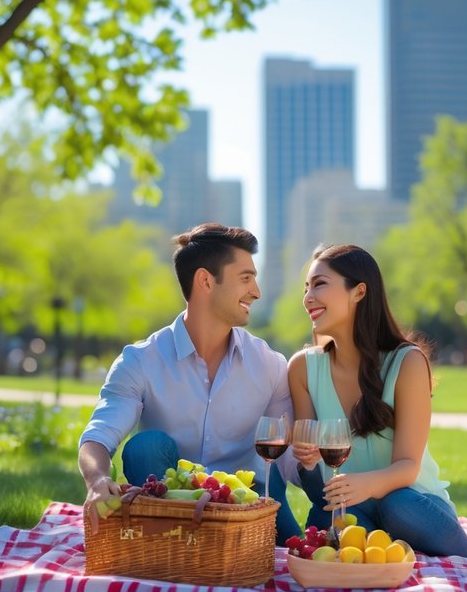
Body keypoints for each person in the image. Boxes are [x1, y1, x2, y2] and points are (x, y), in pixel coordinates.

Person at [78, 222, 301, 544]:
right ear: (206, 281)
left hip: (250, 505)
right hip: (175, 504)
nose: (257, 291)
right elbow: (99, 435)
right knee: (145, 447)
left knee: (298, 539)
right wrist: (97, 480)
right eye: (246, 278)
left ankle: (255, 540)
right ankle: (183, 541)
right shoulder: (140, 361)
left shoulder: (269, 364)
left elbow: (289, 457)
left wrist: (322, 471)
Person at [286, 244, 467, 557]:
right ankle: (380, 550)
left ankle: (405, 547)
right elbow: (321, 491)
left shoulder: (407, 362)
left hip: (417, 506)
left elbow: (408, 467)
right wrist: (308, 464)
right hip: (354, 508)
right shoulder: (303, 369)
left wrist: (365, 486)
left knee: (396, 505)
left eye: (319, 284)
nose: (308, 298)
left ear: (359, 292)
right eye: (307, 288)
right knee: (324, 516)